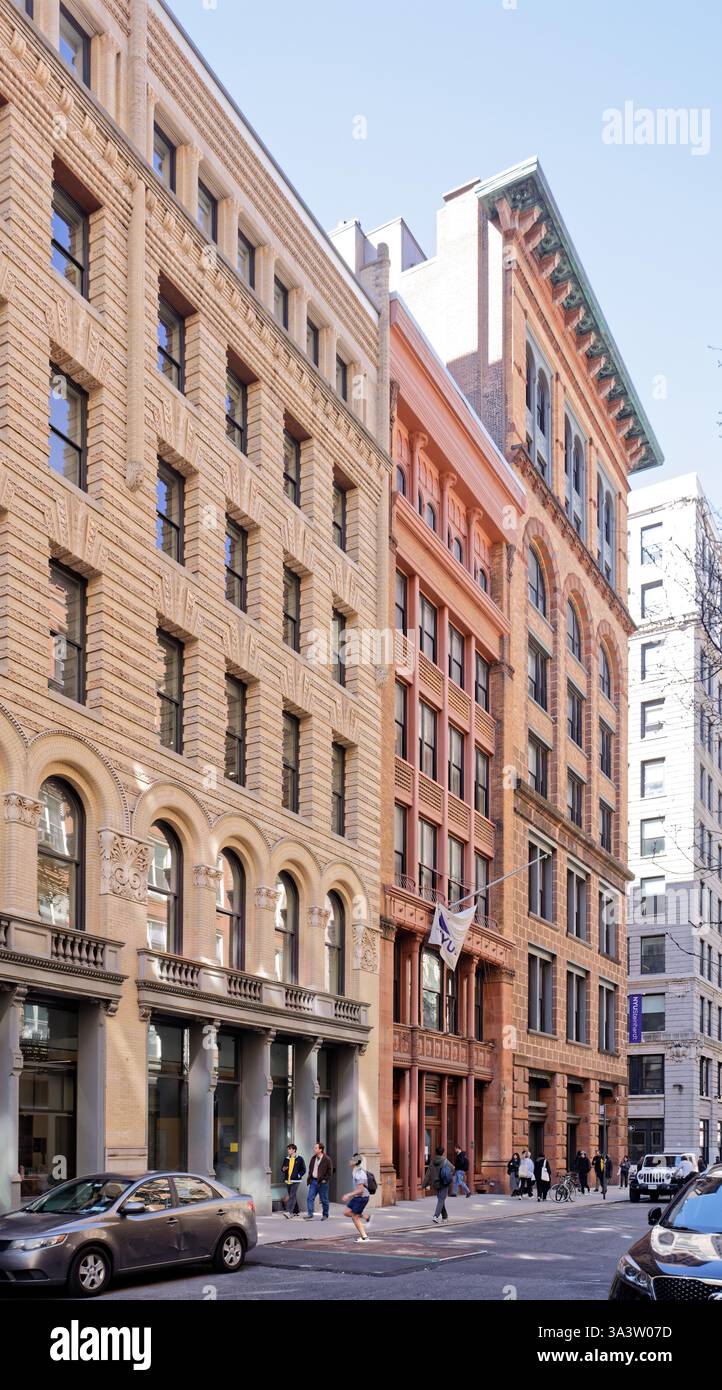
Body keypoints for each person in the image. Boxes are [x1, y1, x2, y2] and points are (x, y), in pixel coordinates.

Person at [341, 1154, 371, 1243]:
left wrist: (348, 1195)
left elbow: (361, 1190)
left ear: (356, 1162)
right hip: (357, 1197)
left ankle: (364, 1237)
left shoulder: (359, 1173)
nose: (350, 1161)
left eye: (352, 1159)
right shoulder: (355, 1171)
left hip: (362, 1197)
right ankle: (365, 1216)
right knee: (346, 1212)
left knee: (355, 1217)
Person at [423, 1144, 454, 1223]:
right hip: (444, 1183)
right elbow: (453, 1169)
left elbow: (427, 1174)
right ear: (443, 1153)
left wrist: (424, 1184)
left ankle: (445, 1217)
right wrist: (449, 1175)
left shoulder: (432, 1162)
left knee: (441, 1199)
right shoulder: (445, 1161)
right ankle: (435, 1216)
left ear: (436, 1153)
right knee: (441, 1200)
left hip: (436, 1184)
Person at [304, 1142, 332, 1220]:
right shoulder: (313, 1158)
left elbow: (330, 1171)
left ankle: (325, 1215)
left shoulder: (327, 1159)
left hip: (322, 1182)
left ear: (320, 1149)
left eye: (316, 1148)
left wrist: (325, 1180)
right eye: (314, 1147)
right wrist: (310, 1177)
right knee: (310, 1198)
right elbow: (310, 1169)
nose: (314, 1149)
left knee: (324, 1199)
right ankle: (310, 1214)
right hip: (313, 1181)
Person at [281, 1142, 306, 1218]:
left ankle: (289, 1212)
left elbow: (303, 1169)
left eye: (290, 1149)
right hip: (288, 1180)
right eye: (288, 1149)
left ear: (294, 1150)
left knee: (292, 1195)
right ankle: (296, 1210)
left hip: (296, 1181)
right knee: (292, 1195)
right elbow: (282, 1168)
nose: (288, 1150)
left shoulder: (300, 1159)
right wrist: (283, 1169)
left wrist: (298, 1175)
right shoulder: (286, 1159)